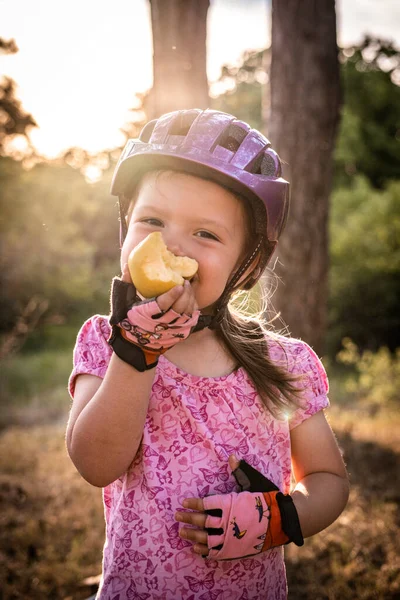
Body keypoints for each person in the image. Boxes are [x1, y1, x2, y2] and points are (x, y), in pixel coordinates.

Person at [66, 108, 349, 600]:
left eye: (206, 233)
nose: (171, 241)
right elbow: (95, 464)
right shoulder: (107, 340)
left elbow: (327, 479)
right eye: (151, 220)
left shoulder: (285, 362)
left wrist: (280, 518)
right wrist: (137, 353)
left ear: (247, 262)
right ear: (124, 230)